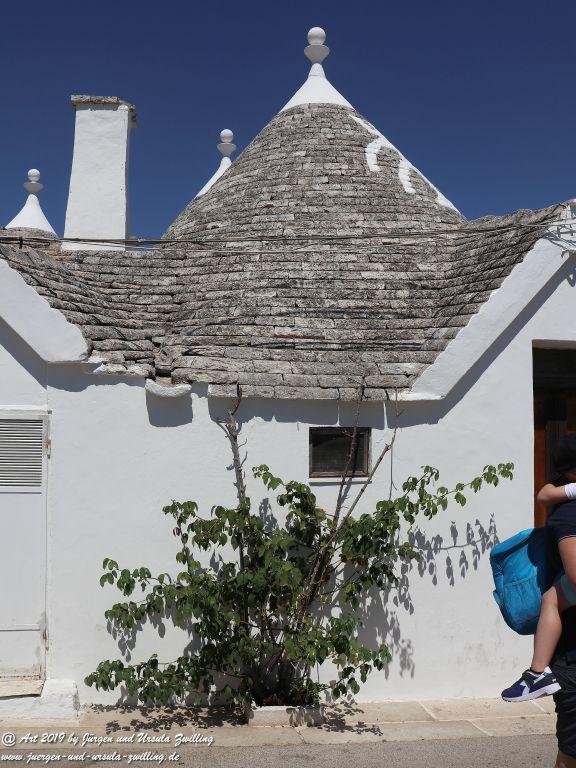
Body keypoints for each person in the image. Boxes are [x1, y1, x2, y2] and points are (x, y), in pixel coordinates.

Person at [502, 434, 576, 703]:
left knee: (550, 600)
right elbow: (544, 495)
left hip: (570, 661)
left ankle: (537, 673)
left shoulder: (567, 513)